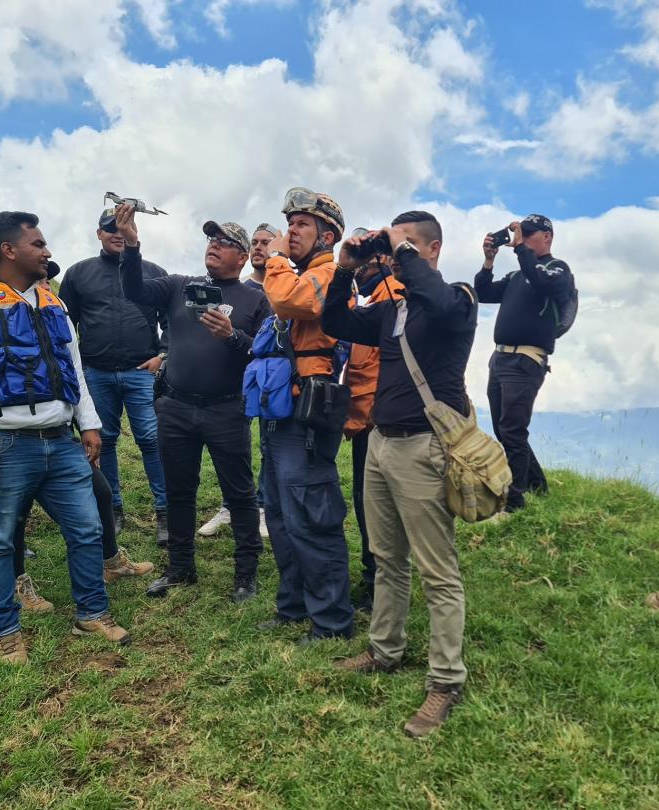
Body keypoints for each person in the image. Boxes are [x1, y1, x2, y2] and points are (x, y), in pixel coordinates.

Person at [0, 210, 129, 664]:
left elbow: (74, 370)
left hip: (61, 439)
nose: (47, 252)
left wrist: (89, 422)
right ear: (8, 250)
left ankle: (92, 613)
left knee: (86, 530)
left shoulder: (53, 303)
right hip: (5, 444)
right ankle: (5, 631)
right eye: (38, 244)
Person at [323, 211, 477, 738]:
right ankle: (385, 650)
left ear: (432, 249)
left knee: (438, 570)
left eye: (409, 244)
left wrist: (401, 249)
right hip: (381, 444)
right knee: (387, 558)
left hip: (425, 448)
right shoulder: (393, 311)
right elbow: (336, 322)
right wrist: (345, 269)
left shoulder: (456, 300)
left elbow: (435, 299)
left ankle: (445, 680)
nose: (394, 253)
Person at [118, 207, 269, 602]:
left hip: (226, 409)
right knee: (179, 491)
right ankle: (180, 569)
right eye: (211, 240)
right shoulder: (179, 285)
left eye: (225, 243)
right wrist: (131, 246)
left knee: (239, 494)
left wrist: (233, 336)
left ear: (241, 256)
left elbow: (265, 356)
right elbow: (134, 290)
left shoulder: (256, 300)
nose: (214, 247)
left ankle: (245, 574)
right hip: (176, 407)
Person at [258, 187, 354, 643]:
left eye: (301, 225)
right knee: (279, 513)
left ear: (327, 235)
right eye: (289, 224)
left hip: (309, 416)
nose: (289, 232)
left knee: (312, 517)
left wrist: (274, 259)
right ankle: (293, 605)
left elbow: (293, 302)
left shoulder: (330, 273)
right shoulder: (292, 275)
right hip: (280, 415)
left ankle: (332, 621)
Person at [59, 208, 169, 545]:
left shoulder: (153, 273)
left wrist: (163, 354)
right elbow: (64, 324)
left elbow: (172, 319)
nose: (116, 234)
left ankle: (165, 512)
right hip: (96, 373)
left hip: (141, 373)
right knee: (101, 442)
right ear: (98, 233)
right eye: (109, 229)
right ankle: (112, 510)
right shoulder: (78, 274)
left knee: (152, 440)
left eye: (123, 227)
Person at [474, 214, 574, 511]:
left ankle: (513, 502)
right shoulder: (519, 275)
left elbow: (541, 281)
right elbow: (483, 292)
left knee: (514, 429)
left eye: (529, 234)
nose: (524, 239)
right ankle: (536, 486)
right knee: (504, 429)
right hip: (501, 357)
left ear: (548, 237)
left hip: (526, 359)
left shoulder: (558, 269)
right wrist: (489, 260)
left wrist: (520, 249)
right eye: (522, 234)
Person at [198, 223, 281, 539]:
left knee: (269, 445)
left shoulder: (282, 288)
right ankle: (229, 505)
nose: (261, 247)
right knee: (234, 446)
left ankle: (261, 506)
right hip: (238, 383)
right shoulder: (239, 288)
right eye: (256, 242)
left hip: (273, 381)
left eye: (267, 243)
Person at [341, 237, 404, 612]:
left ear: (381, 258)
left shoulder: (391, 293)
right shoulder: (366, 295)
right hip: (364, 417)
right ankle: (373, 579)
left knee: (376, 508)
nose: (360, 265)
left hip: (377, 418)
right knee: (366, 505)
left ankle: (379, 583)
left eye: (367, 258)